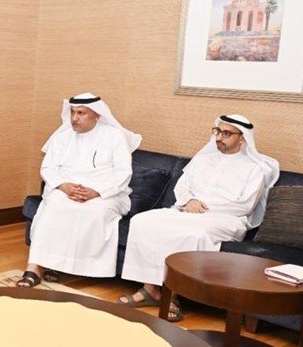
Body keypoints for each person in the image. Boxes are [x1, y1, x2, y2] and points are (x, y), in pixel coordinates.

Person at [119, 115, 280, 321]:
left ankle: (172, 296)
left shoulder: (255, 168)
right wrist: (190, 200)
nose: (219, 137)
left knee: (193, 233)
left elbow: (245, 205)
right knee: (142, 221)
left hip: (226, 218)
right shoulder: (203, 159)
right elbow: (182, 187)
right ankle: (150, 289)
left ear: (243, 138)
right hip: (187, 210)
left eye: (227, 134)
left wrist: (203, 206)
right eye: (218, 132)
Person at [18, 93, 141, 287]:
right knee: (53, 209)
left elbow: (123, 172)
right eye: (73, 112)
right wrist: (64, 186)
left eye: (81, 113)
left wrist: (96, 191)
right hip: (66, 189)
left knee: (94, 213)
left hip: (105, 193)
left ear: (97, 115)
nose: (74, 118)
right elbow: (48, 168)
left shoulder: (114, 137)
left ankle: (60, 266)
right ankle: (34, 268)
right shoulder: (62, 137)